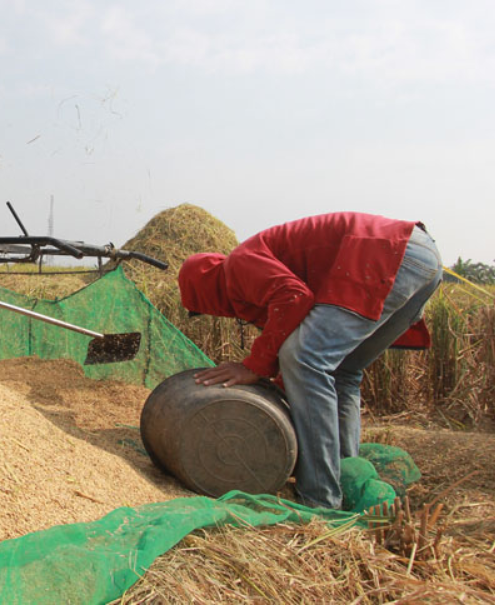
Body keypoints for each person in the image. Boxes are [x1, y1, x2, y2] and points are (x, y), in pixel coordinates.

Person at [177, 212, 443, 510]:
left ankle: (321, 500)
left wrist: (253, 366)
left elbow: (294, 298)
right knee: (342, 371)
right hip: (421, 256)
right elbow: (296, 324)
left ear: (203, 289)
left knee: (305, 360)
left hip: (389, 252)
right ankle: (345, 477)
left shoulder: (238, 264)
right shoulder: (252, 267)